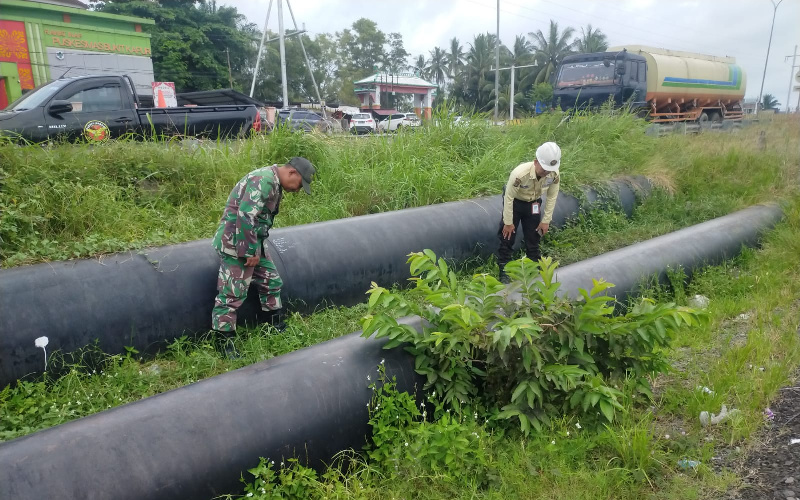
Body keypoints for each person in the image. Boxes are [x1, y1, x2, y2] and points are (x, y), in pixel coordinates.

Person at [211, 157, 316, 348]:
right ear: (292, 173)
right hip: (236, 242)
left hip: (253, 241)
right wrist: (249, 251)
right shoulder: (264, 180)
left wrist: (255, 247)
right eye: (300, 184)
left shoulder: (274, 182)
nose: (298, 189)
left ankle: (273, 324)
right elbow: (246, 215)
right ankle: (223, 340)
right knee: (232, 293)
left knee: (271, 281)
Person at [497, 141, 561, 283]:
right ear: (536, 162)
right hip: (515, 203)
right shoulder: (520, 174)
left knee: (534, 236)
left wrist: (546, 220)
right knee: (507, 236)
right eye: (544, 169)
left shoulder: (554, 174)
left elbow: (552, 196)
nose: (546, 172)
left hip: (533, 204)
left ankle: (534, 268)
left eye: (549, 169)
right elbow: (508, 197)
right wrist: (508, 222)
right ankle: (504, 270)